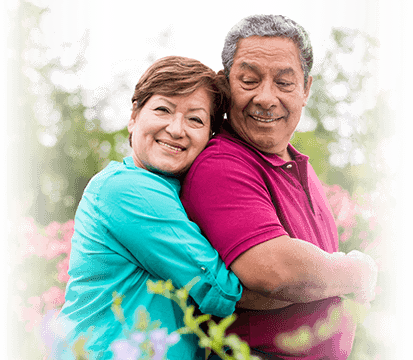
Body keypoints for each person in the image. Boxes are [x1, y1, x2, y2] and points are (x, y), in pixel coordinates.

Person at [181, 15, 378, 359]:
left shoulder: (294, 163)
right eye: (249, 80)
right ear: (226, 86)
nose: (266, 98)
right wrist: (354, 272)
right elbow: (273, 270)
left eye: (285, 83)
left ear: (306, 90)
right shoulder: (221, 164)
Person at [50, 56, 243, 360]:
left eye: (195, 119)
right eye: (163, 109)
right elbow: (221, 290)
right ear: (133, 117)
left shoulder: (180, 194)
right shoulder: (127, 189)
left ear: (210, 137)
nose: (177, 129)